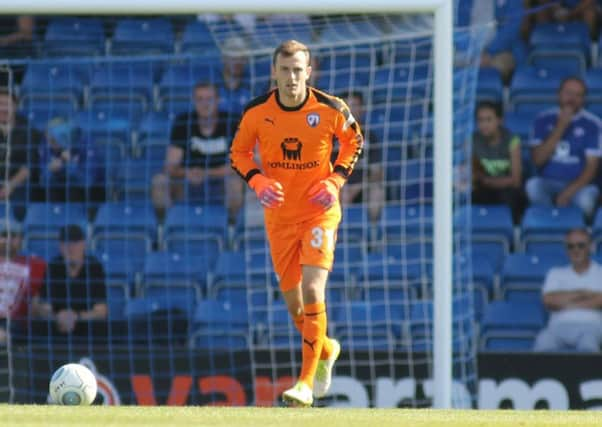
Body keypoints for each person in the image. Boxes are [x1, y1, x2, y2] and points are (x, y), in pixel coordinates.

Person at [230, 39, 363, 406]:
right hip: (279, 219)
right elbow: (238, 153)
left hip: (319, 213)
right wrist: (257, 180)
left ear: (309, 71)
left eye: (298, 70)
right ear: (274, 72)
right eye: (285, 70)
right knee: (295, 307)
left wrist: (334, 180)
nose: (292, 77)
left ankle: (305, 383)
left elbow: (354, 143)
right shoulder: (257, 112)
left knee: (313, 290)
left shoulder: (332, 108)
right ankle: (325, 348)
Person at [151, 82, 244, 223]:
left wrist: (206, 173)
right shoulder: (183, 122)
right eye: (200, 99)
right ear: (194, 102)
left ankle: (230, 229)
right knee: (159, 181)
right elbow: (170, 166)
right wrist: (188, 173)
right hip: (187, 182)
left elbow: (239, 165)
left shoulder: (232, 122)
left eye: (209, 99)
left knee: (235, 183)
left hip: (220, 182)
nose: (204, 104)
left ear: (218, 100)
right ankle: (166, 228)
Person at [525, 77, 602, 220]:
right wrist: (561, 126)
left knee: (585, 200)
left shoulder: (594, 124)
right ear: (559, 94)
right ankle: (550, 222)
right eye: (568, 93)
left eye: (578, 95)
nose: (572, 99)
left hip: (580, 185)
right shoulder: (542, 120)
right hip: (548, 181)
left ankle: (576, 228)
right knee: (533, 186)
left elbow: (592, 168)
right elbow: (537, 160)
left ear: (584, 99)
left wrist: (568, 192)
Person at [533, 228, 602, 352]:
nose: (576, 250)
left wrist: (565, 301)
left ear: (591, 247)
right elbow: (549, 300)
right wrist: (583, 293)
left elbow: (600, 300)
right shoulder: (555, 273)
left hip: (591, 327)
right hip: (557, 327)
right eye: (571, 246)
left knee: (588, 345)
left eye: (581, 245)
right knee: (542, 342)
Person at [32, 225, 107, 337]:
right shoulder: (54, 267)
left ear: (83, 244)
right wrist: (59, 317)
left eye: (75, 243)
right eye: (66, 243)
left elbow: (101, 311)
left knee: (100, 327)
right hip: (58, 325)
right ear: (60, 246)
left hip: (86, 325)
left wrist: (76, 316)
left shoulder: (94, 267)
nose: (71, 248)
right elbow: (44, 307)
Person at [472, 101, 526, 224]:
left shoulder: (512, 141)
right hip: (482, 189)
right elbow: (471, 173)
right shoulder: (472, 140)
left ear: (499, 120)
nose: (484, 125)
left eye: (488, 120)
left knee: (513, 196)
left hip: (505, 190)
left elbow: (515, 180)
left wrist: (486, 181)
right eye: (480, 120)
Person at [334, 90, 384, 223]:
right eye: (347, 107)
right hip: (338, 186)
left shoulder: (369, 137)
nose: (351, 111)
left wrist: (357, 187)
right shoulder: (331, 137)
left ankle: (373, 235)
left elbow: (377, 171)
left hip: (363, 187)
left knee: (377, 191)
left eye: (355, 106)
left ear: (362, 109)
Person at [0, 218, 46, 345]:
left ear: (21, 239)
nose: (8, 240)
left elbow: (38, 301)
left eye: (13, 235)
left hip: (14, 323)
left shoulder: (35, 264)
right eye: (3, 235)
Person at [39, 118, 105, 203]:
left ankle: (75, 215)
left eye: (53, 141)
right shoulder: (46, 144)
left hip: (91, 191)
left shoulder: (87, 144)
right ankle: (55, 214)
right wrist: (50, 171)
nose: (49, 144)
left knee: (73, 188)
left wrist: (70, 165)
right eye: (47, 139)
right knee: (53, 187)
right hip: (61, 188)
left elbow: (88, 182)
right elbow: (43, 182)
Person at [0, 89, 42, 220]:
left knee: (19, 205)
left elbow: (29, 165)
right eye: (0, 104)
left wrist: (10, 186)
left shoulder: (30, 132)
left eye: (7, 104)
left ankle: (17, 236)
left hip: (18, 183)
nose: (3, 108)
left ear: (15, 106)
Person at [524, 0, 598, 39]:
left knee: (590, 13)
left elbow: (590, 1)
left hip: (578, 10)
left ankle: (590, 48)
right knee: (541, 13)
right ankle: (543, 47)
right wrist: (554, 9)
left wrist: (571, 13)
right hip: (555, 9)